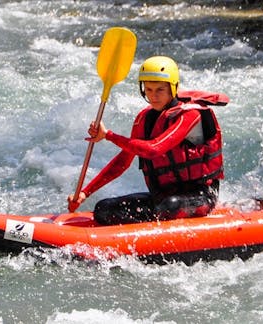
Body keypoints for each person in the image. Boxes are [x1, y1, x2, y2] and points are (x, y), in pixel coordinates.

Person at [68, 56, 229, 225]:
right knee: (103, 209)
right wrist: (85, 193)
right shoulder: (144, 119)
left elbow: (154, 149)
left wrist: (108, 135)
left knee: (170, 206)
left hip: (201, 196)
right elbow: (122, 162)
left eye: (160, 90)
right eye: (149, 89)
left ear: (173, 88)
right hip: (162, 197)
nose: (153, 96)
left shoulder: (189, 116)